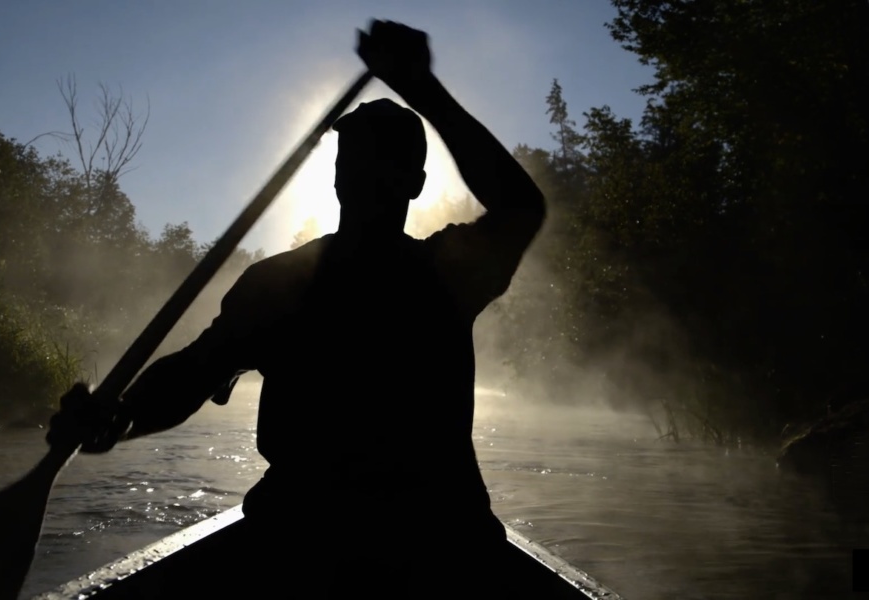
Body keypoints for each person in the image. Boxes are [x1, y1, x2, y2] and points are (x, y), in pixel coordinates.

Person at [71, 20, 545, 597]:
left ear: (414, 183)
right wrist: (119, 415)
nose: (365, 173)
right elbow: (193, 373)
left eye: (383, 163)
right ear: (338, 176)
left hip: (423, 543)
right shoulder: (282, 283)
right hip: (309, 541)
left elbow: (522, 205)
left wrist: (421, 88)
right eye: (355, 160)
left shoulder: (443, 272)